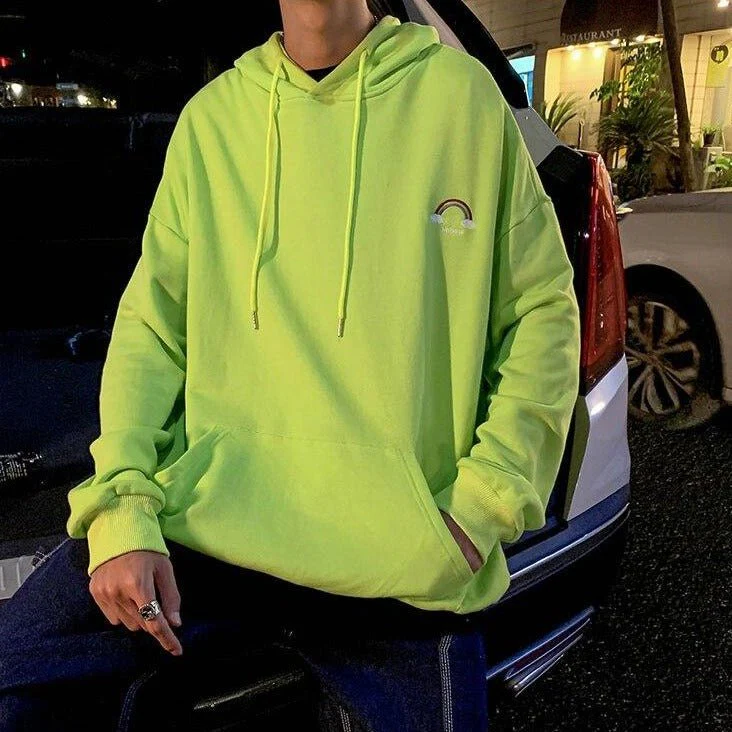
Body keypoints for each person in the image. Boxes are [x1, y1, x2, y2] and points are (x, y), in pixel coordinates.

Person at [0, 1, 581, 730]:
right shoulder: (213, 122)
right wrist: (121, 508)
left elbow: (542, 314)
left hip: (399, 565)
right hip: (211, 533)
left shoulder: (461, 99)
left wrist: (482, 506)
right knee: (15, 670)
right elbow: (152, 329)